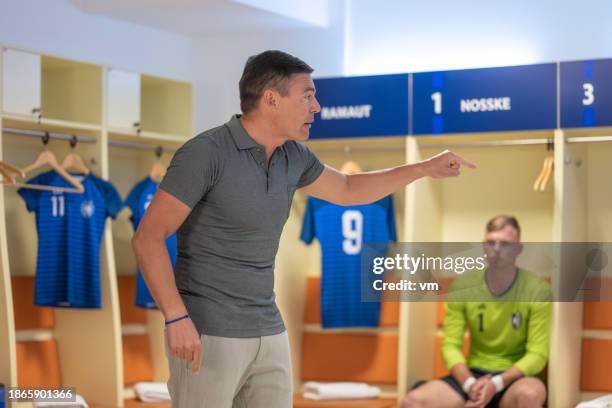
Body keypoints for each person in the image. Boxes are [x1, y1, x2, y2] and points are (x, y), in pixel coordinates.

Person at [131, 50, 476, 408]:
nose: (317, 107)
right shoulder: (205, 153)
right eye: (307, 96)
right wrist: (176, 317)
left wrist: (422, 168)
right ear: (271, 100)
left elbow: (348, 189)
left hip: (269, 329)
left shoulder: (293, 155)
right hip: (208, 331)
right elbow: (148, 238)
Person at [401, 215, 552, 408]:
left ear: (518, 249)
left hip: (514, 378)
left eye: (505, 244)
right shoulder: (463, 287)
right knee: (413, 401)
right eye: (491, 243)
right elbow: (450, 346)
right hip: (472, 375)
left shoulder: (537, 289)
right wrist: (470, 384)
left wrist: (496, 384)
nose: (497, 250)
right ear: (483, 246)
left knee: (529, 395)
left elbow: (538, 353)